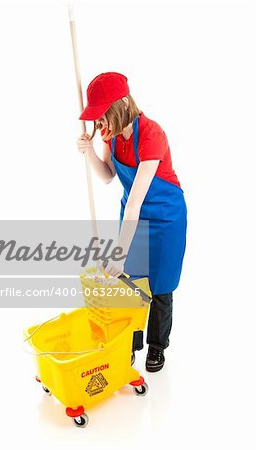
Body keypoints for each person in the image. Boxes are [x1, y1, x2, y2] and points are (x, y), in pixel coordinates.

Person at [76, 72, 187, 372]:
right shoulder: (108, 136)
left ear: (122, 104)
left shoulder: (152, 134)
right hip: (132, 214)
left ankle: (157, 346)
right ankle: (129, 344)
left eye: (102, 117)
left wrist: (120, 253)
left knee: (161, 286)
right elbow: (108, 176)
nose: (99, 124)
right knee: (132, 285)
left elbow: (137, 200)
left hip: (165, 217)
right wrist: (89, 154)